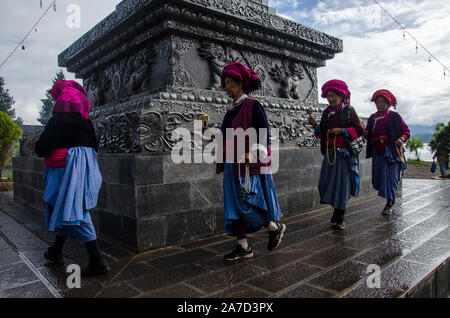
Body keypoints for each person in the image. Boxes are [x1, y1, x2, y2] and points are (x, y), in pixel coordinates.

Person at [34, 80, 109, 276]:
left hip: (62, 173)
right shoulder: (86, 122)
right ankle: (56, 252)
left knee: (77, 213)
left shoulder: (57, 121)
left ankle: (97, 261)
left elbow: (41, 149)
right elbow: (95, 147)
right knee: (67, 209)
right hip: (82, 172)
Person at [216, 61, 286, 261]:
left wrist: (254, 153)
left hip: (247, 164)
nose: (226, 87)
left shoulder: (253, 105)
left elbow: (264, 132)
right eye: (225, 83)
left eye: (229, 82)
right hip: (231, 162)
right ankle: (243, 246)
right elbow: (227, 137)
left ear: (241, 83)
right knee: (233, 205)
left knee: (247, 203)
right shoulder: (231, 110)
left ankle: (274, 227)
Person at [308, 80, 364, 230]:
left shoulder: (348, 111)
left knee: (342, 186)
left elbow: (360, 130)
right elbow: (322, 133)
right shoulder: (326, 113)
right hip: (330, 154)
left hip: (344, 155)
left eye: (333, 96)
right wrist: (315, 126)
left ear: (340, 96)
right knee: (327, 184)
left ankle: (341, 214)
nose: (331, 99)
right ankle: (336, 210)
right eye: (328, 96)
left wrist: (342, 131)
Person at [365, 89, 410, 215]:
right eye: (378, 102)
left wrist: (401, 139)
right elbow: (368, 133)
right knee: (380, 177)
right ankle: (389, 198)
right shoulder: (372, 118)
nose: (380, 104)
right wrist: (366, 133)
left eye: (382, 102)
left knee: (391, 177)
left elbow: (406, 131)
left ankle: (390, 202)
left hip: (391, 152)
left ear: (388, 103)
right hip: (377, 151)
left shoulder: (395, 117)